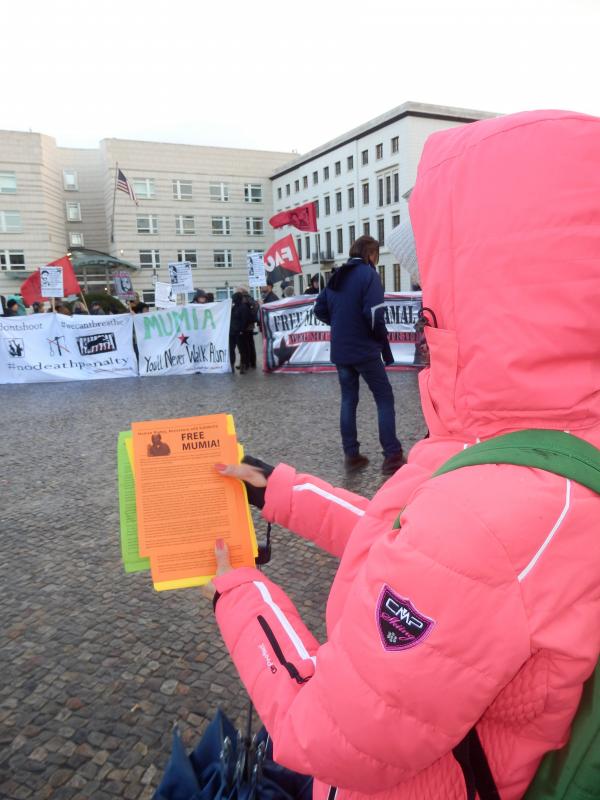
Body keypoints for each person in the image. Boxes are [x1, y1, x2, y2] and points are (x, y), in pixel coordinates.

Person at [201, 110, 600, 800]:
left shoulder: (495, 506)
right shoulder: (536, 448)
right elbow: (414, 547)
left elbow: (323, 732)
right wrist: (281, 491)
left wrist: (239, 587)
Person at [314, 235, 403, 474]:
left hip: (341, 352)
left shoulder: (337, 276)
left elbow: (318, 308)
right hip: (364, 349)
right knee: (384, 398)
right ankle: (392, 455)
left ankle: (351, 454)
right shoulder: (368, 275)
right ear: (371, 254)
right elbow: (374, 314)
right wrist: (377, 339)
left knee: (348, 400)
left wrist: (341, 323)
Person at [229, 291, 251, 374]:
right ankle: (235, 366)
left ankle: (239, 367)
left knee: (240, 350)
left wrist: (241, 329)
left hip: (237, 332)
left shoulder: (239, 308)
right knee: (237, 350)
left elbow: (244, 320)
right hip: (235, 332)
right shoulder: (237, 307)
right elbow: (245, 320)